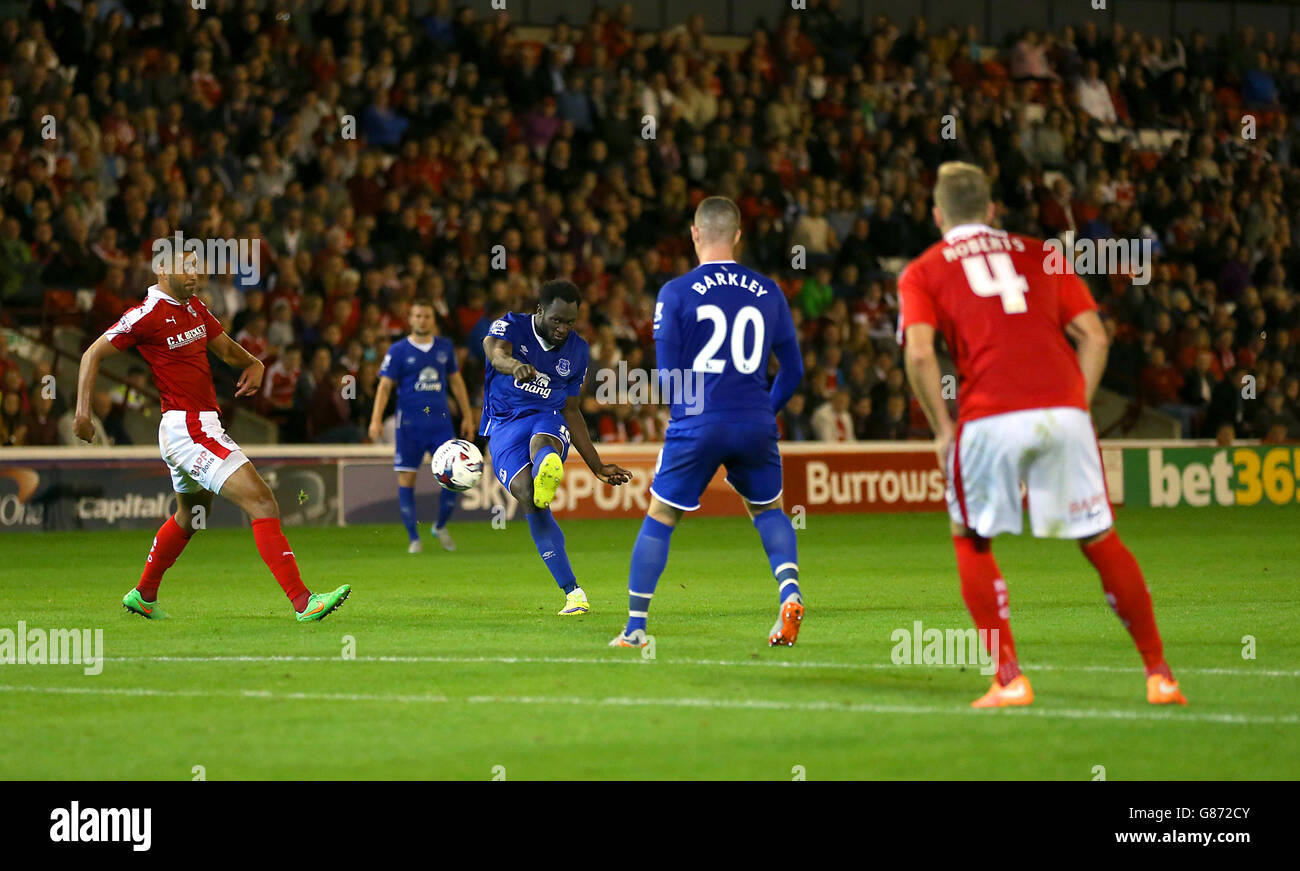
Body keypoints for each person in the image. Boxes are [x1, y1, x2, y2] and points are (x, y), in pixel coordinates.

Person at [899, 162, 1184, 708]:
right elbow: (1095, 337)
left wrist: (942, 429)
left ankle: (1010, 678)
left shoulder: (923, 270)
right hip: (1062, 410)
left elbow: (917, 352)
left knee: (971, 536)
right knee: (1100, 537)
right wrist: (1074, 405)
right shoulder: (1045, 253)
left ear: (937, 215)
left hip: (987, 414)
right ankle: (1159, 674)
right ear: (992, 210)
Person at [73, 248, 350, 622]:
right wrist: (82, 411)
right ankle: (304, 602)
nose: (194, 276)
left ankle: (143, 594)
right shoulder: (146, 316)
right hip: (188, 428)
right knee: (263, 502)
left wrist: (253, 362)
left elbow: (223, 348)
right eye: (186, 268)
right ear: (161, 269)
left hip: (195, 427)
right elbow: (92, 354)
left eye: (197, 269)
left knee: (193, 515)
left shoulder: (195, 308)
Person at [609, 196, 805, 649]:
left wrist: (685, 423)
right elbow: (793, 371)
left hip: (698, 421)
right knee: (769, 511)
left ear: (694, 234)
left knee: (661, 514)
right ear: (738, 236)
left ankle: (636, 628)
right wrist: (761, 411)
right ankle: (790, 593)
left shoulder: (674, 292)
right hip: (755, 422)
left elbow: (667, 375)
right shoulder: (770, 290)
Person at [481, 279, 632, 615]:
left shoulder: (578, 350)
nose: (563, 328)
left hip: (548, 416)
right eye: (556, 320)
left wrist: (597, 465)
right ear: (540, 311)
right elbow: (495, 354)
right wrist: (514, 366)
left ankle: (548, 462)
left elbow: (572, 410)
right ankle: (573, 594)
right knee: (527, 494)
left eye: (569, 322)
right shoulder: (510, 325)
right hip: (504, 423)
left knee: (543, 441)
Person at [368, 298, 475, 553]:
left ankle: (439, 525)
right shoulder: (398, 350)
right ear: (410, 319)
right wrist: (375, 419)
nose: (422, 320)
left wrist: (468, 416)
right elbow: (384, 387)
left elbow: (457, 382)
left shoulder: (445, 348)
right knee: (407, 478)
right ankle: (414, 538)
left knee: (455, 477)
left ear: (433, 320)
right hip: (409, 426)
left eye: (426, 316)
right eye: (417, 316)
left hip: (441, 424)